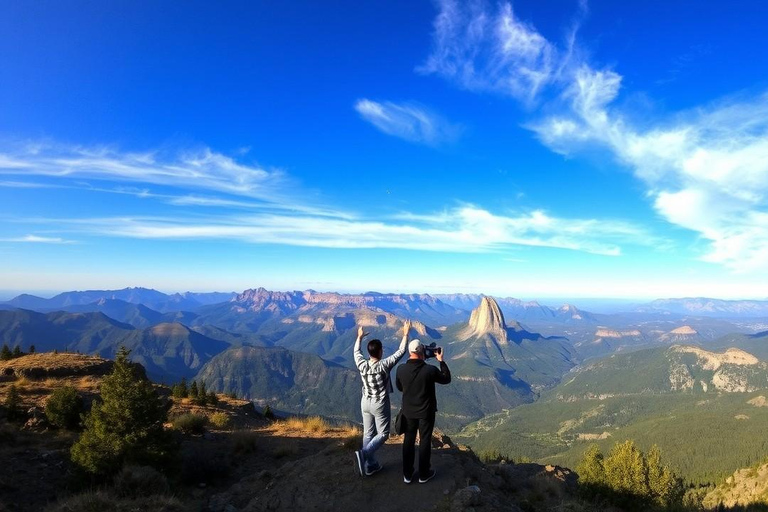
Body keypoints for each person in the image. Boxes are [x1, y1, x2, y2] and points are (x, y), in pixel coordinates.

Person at [353, 319, 410, 477]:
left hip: (365, 402)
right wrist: (406, 334)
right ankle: (364, 454)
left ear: (370, 352)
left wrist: (359, 337)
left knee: (368, 434)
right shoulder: (384, 365)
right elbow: (401, 352)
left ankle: (370, 465)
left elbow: (356, 352)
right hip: (379, 403)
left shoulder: (362, 364)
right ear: (380, 352)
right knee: (383, 434)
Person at [395, 340, 451, 484]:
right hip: (426, 412)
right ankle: (423, 474)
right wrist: (441, 361)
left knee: (409, 440)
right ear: (422, 353)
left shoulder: (400, 369)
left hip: (408, 412)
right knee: (425, 441)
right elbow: (446, 378)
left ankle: (407, 474)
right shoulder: (430, 370)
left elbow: (400, 387)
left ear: (409, 352)